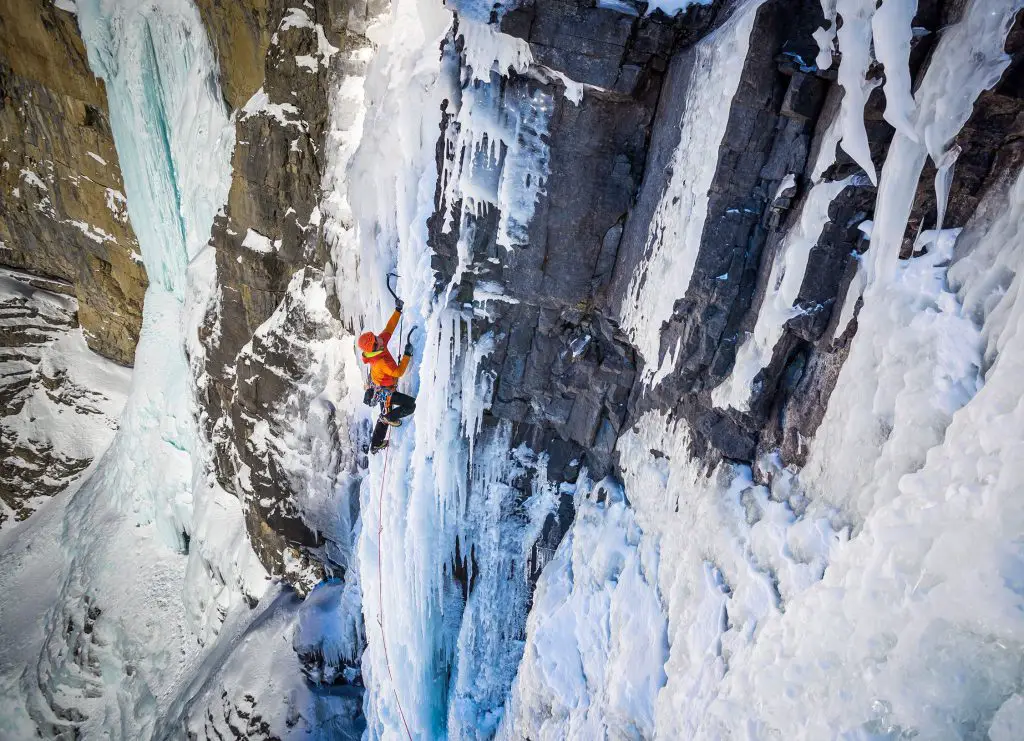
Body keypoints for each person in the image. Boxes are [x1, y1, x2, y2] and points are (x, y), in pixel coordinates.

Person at [358, 299, 415, 454]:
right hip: (385, 391)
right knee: (410, 406)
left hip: (380, 387)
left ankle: (375, 444)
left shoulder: (379, 344)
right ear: (374, 347)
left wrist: (397, 310)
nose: (379, 338)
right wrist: (407, 355)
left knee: (384, 415)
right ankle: (389, 418)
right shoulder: (381, 361)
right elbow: (398, 372)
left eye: (376, 336)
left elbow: (389, 328)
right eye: (376, 339)